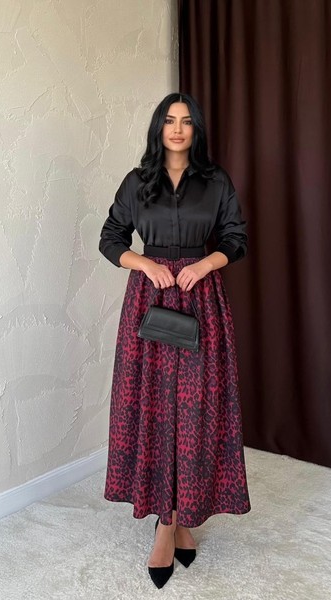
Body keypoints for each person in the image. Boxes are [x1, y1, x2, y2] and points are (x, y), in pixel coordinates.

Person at [99, 92, 251, 589]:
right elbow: (110, 238)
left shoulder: (216, 182)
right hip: (150, 302)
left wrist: (205, 264)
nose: (178, 128)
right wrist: (145, 263)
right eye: (169, 120)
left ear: (196, 129)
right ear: (158, 128)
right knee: (155, 409)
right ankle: (166, 525)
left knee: (196, 413)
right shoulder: (136, 182)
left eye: (186, 121)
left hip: (201, 302)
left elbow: (236, 238)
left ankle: (183, 514)